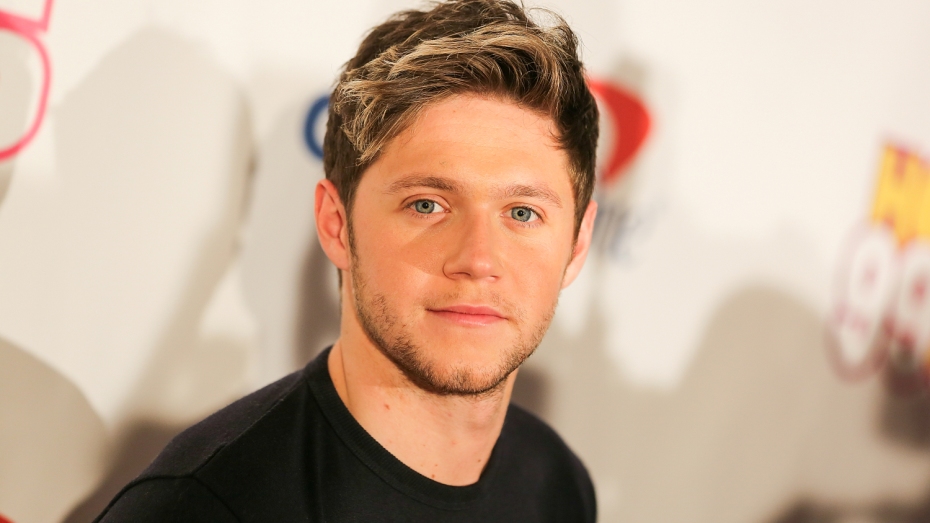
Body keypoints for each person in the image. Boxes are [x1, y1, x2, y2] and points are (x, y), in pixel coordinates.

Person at [95, 0, 600, 520]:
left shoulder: (557, 482)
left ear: (577, 243)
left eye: (522, 213)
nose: (478, 259)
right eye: (427, 205)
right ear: (337, 225)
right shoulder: (202, 506)